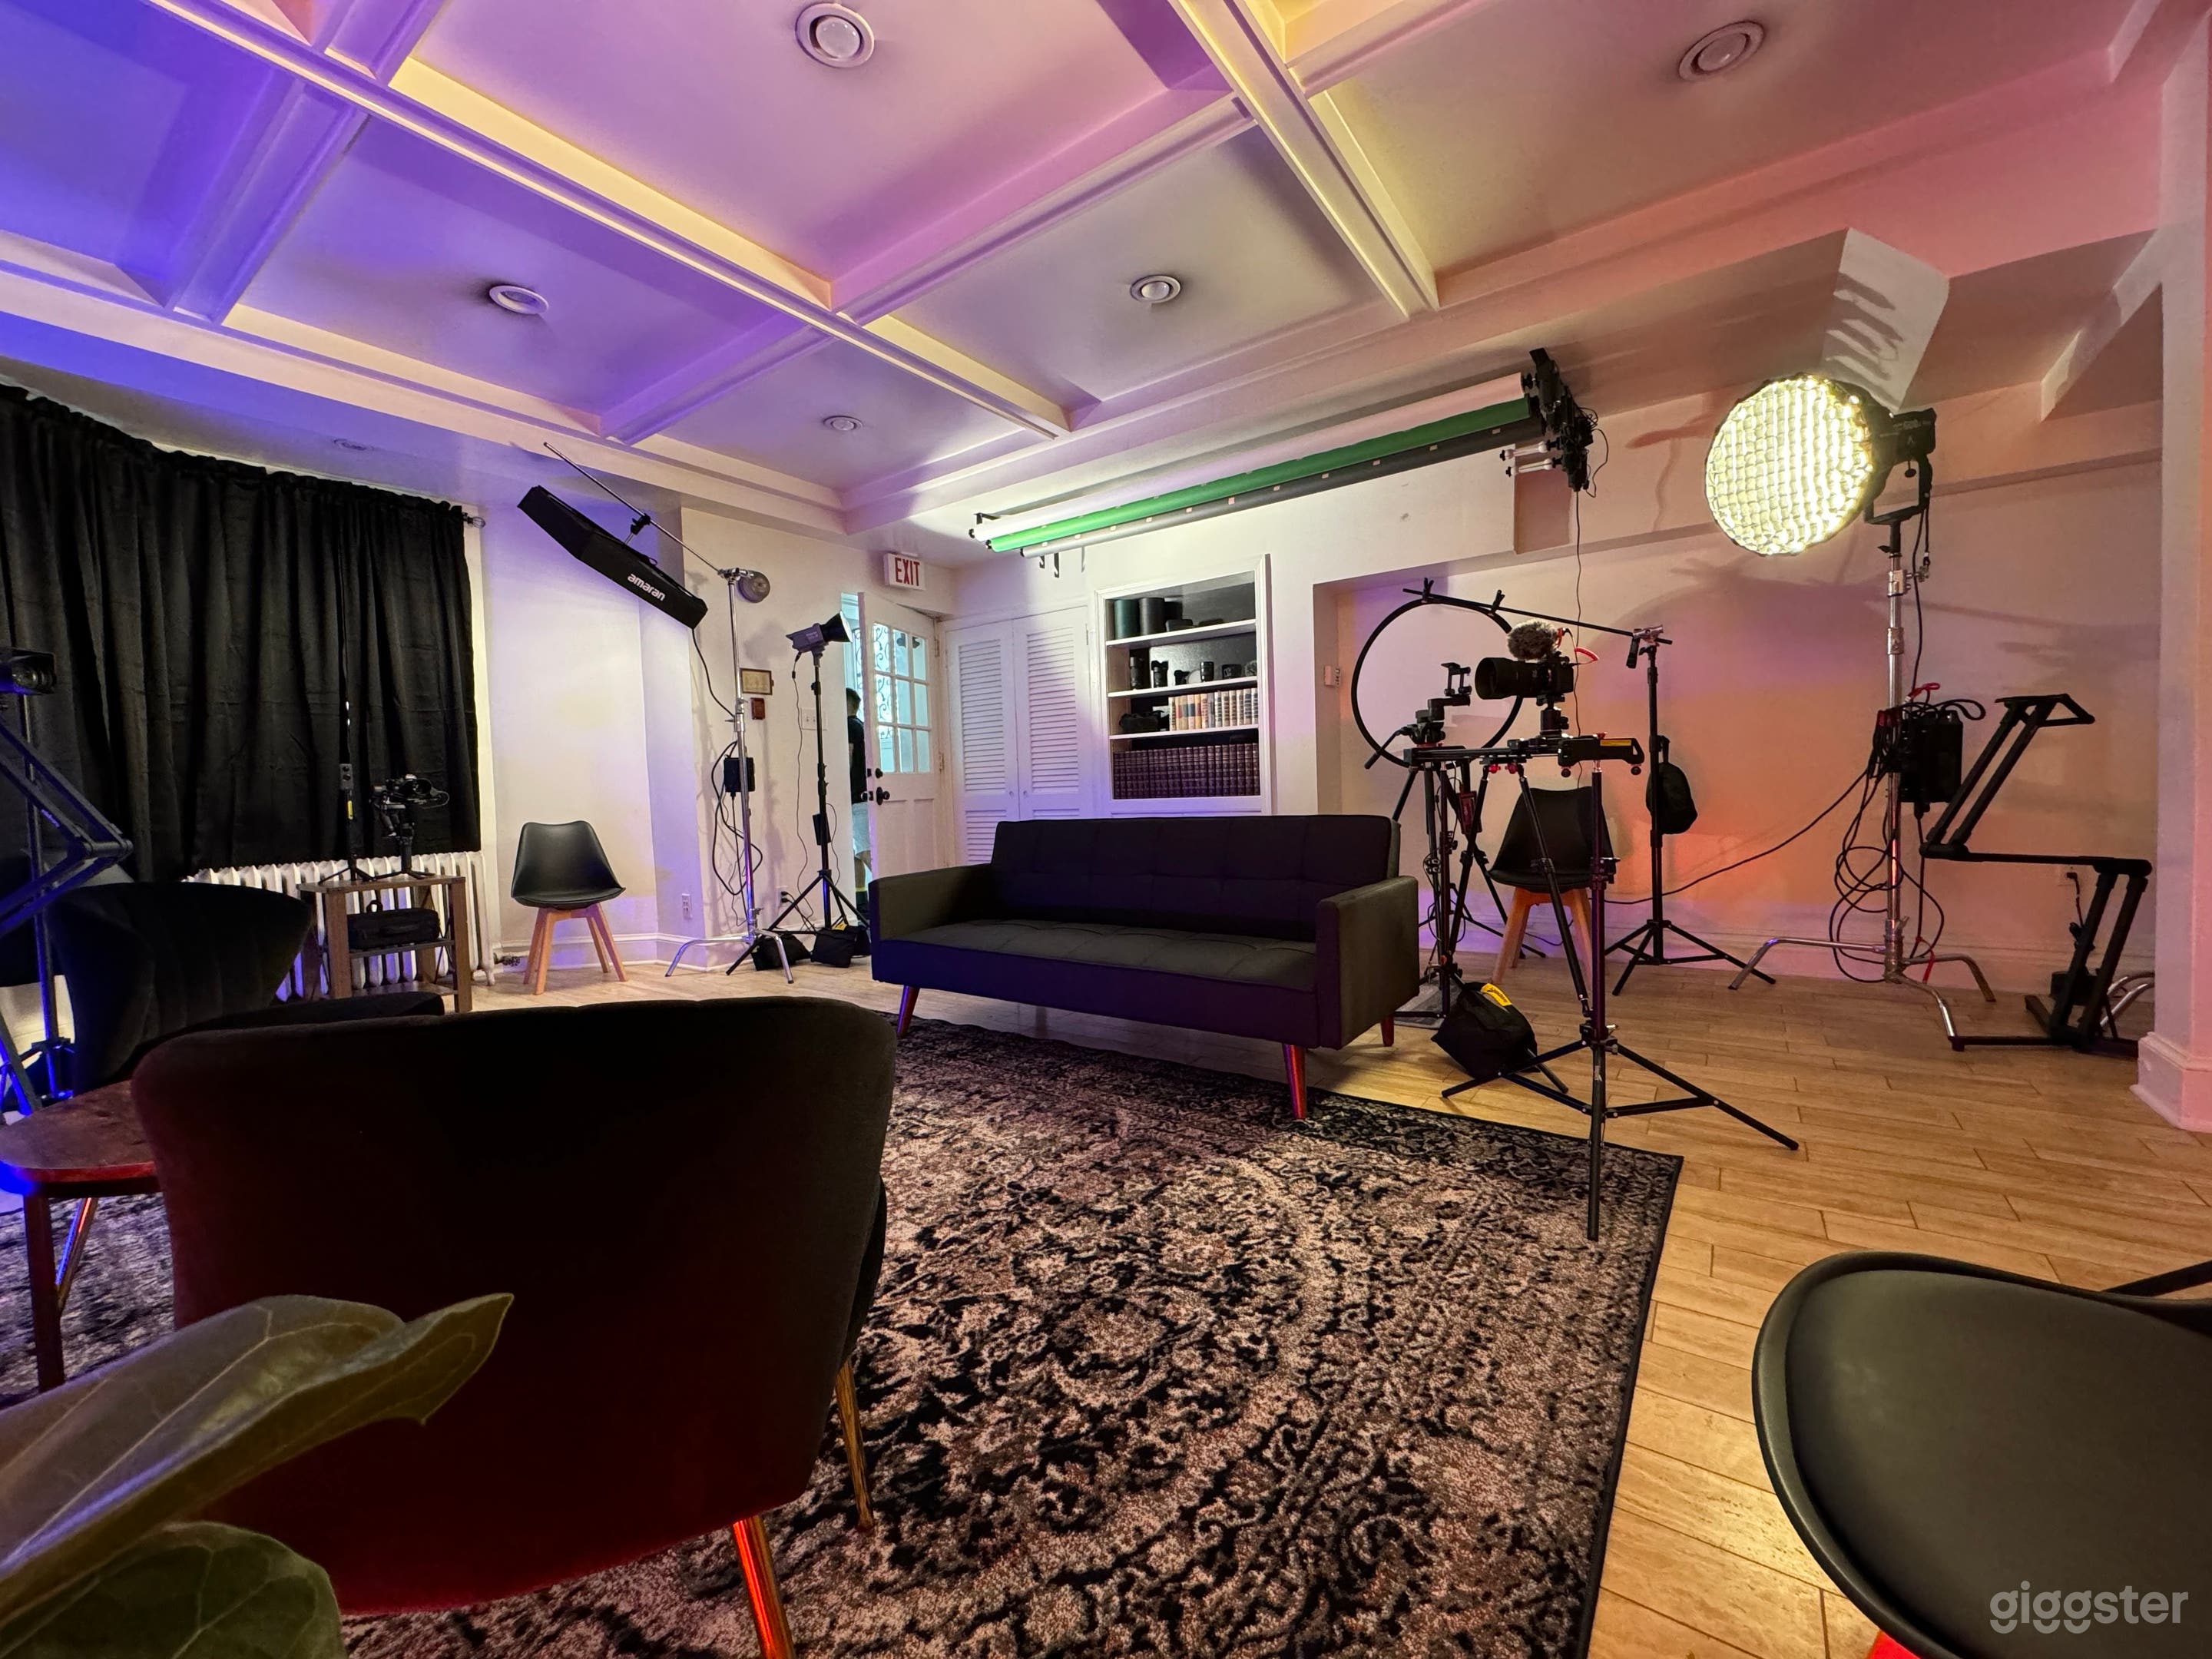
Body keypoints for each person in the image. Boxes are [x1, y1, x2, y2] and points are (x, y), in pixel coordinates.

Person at [846, 687, 872, 896]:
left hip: (856, 797)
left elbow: (848, 757)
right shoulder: (862, 726)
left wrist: (840, 785)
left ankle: (888, 894)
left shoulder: (849, 726)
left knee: (864, 850)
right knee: (855, 853)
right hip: (862, 795)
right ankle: (860, 899)